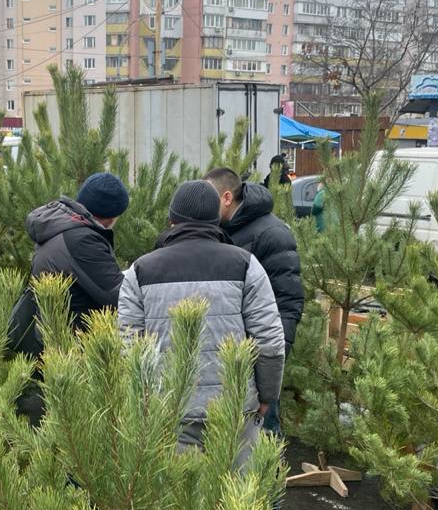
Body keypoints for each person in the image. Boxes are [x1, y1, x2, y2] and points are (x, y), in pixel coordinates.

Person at [118, 180, 285, 462]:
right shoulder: (246, 265)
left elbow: (128, 346)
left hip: (167, 409)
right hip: (235, 408)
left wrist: (140, 404)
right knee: (237, 499)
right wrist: (267, 396)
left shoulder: (140, 271)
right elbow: (269, 341)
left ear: (172, 220)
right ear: (216, 218)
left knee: (175, 501)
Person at [8, 172, 130, 421]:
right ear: (112, 215)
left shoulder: (60, 229)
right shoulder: (81, 239)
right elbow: (118, 296)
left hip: (51, 347)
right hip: (72, 354)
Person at [204, 166, 304, 435]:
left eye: (207, 198)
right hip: (223, 361)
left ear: (226, 198)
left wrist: (268, 377)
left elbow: (287, 306)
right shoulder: (221, 231)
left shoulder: (272, 235)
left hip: (255, 364)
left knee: (261, 445)